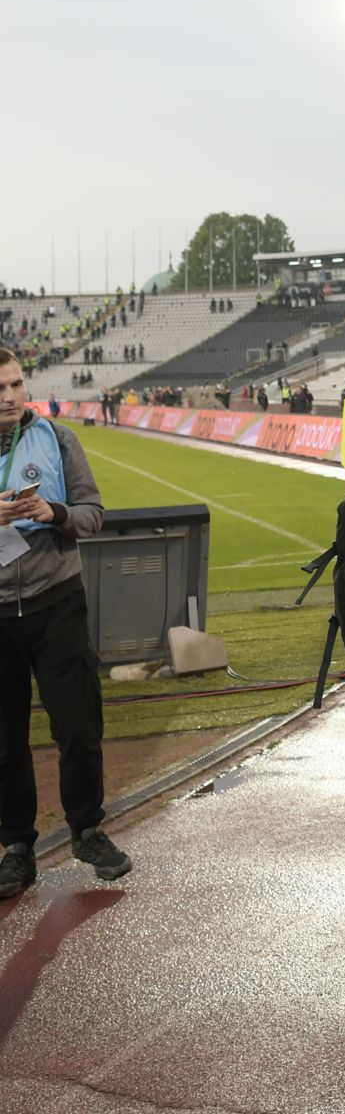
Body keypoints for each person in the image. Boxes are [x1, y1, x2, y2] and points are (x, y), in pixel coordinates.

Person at [0, 348, 131, 901]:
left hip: (58, 601)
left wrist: (51, 513)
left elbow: (92, 513)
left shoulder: (57, 438)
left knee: (78, 725)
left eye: (15, 384)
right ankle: (17, 848)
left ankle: (88, 830)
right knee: (5, 739)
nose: (9, 396)